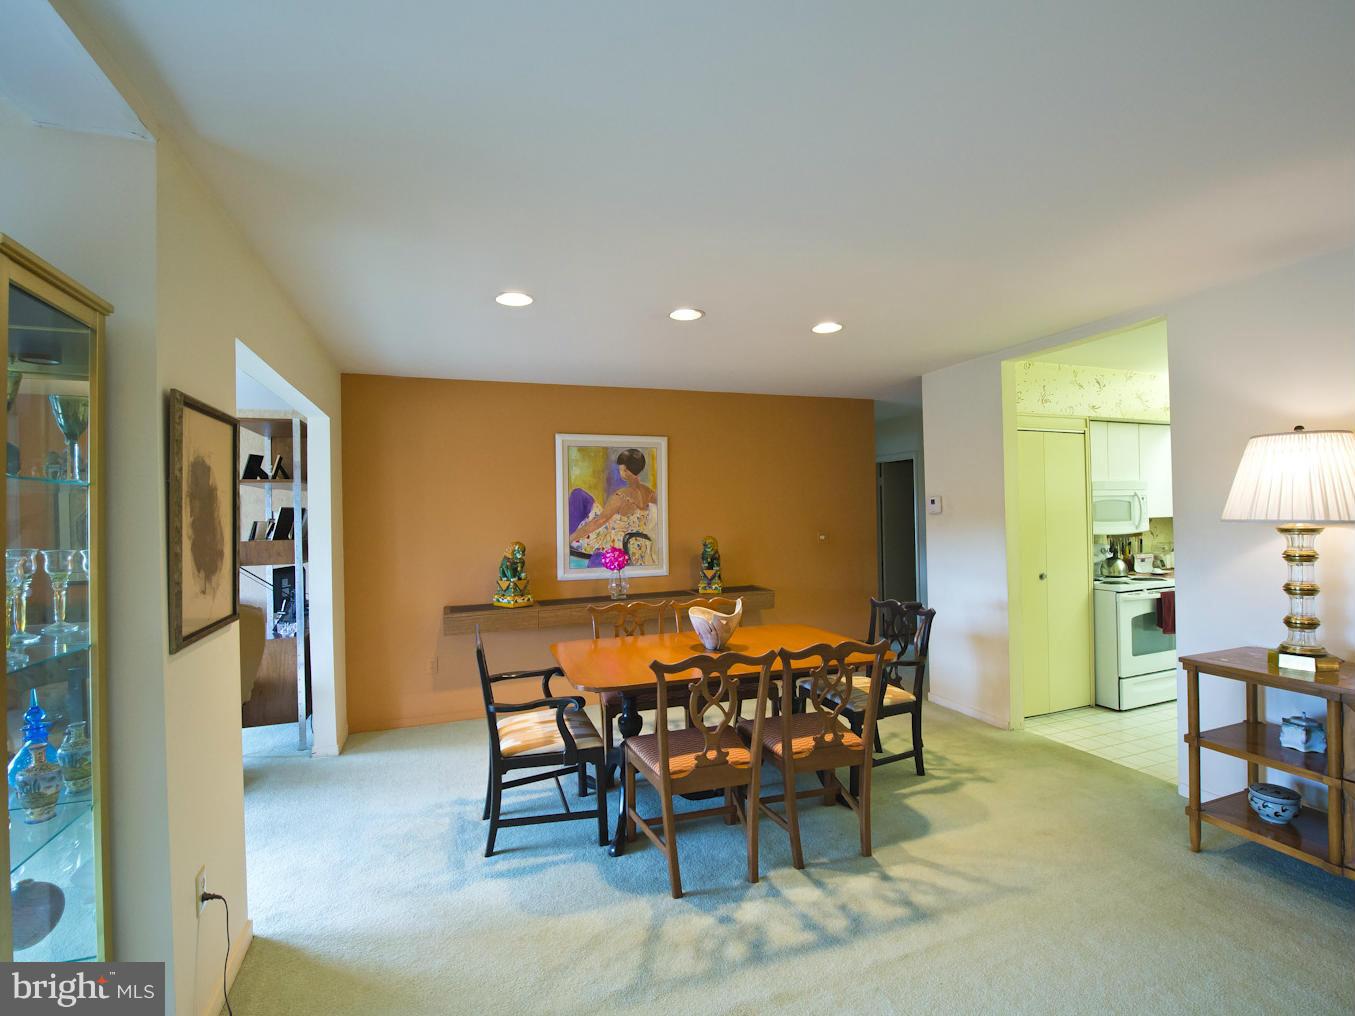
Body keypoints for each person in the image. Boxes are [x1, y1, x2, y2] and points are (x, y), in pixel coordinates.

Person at [570, 448, 658, 560]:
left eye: (621, 469)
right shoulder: (651, 494)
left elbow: (599, 521)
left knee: (578, 495)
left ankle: (569, 535)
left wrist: (571, 538)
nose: (620, 471)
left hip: (615, 542)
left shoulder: (621, 495)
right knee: (583, 499)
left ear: (625, 470)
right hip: (638, 545)